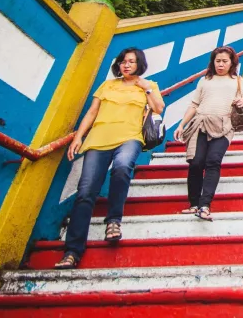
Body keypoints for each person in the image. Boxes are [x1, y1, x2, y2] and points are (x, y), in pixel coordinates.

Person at [55, 47, 164, 269]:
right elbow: (92, 112)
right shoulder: (107, 85)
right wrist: (78, 137)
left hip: (130, 137)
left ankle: (113, 220)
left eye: (132, 62)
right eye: (123, 61)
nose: (126, 65)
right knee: (85, 193)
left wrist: (147, 89)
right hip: (98, 139)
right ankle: (72, 252)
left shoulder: (148, 85)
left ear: (139, 64)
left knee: (123, 167)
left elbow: (158, 108)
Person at [174, 47, 243, 221]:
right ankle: (194, 204)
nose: (221, 64)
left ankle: (205, 205)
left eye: (224, 61)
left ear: (232, 63)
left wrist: (242, 101)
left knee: (213, 161)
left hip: (224, 125)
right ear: (213, 62)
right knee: (196, 163)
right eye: (218, 61)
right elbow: (194, 104)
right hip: (200, 123)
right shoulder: (204, 80)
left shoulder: (237, 80)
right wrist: (181, 124)